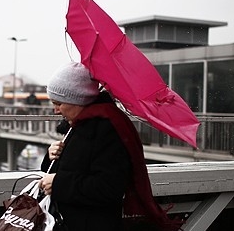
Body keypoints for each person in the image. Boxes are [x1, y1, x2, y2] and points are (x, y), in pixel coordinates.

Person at [39, 62, 180, 231]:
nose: (55, 110)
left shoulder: (107, 129)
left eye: (58, 103)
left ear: (77, 99)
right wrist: (52, 157)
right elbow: (69, 170)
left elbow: (108, 188)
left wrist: (59, 184)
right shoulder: (78, 126)